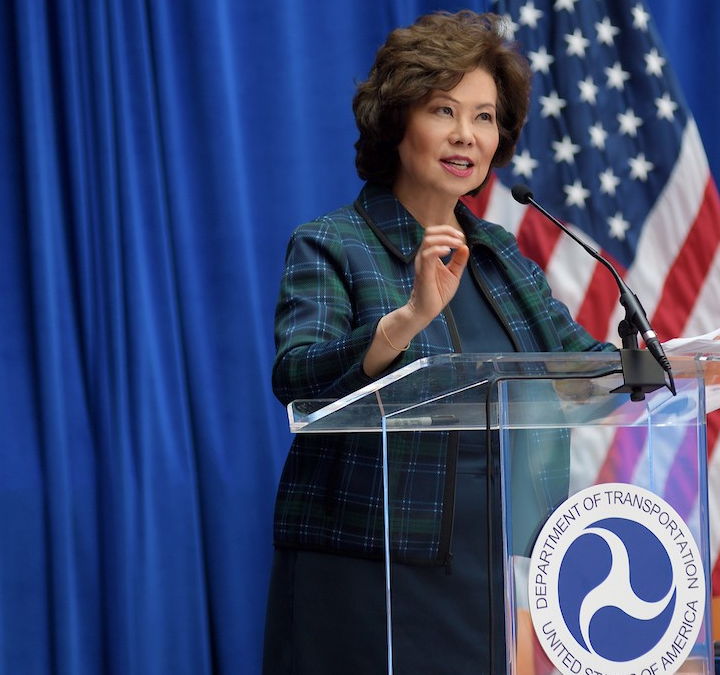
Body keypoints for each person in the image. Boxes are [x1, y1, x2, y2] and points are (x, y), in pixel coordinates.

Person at [263, 11, 614, 674]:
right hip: (368, 573)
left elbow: (579, 362)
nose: (466, 135)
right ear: (398, 124)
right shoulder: (334, 242)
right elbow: (299, 375)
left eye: (485, 117)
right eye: (443, 110)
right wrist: (408, 318)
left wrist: (658, 364)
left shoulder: (499, 254)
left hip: (490, 562)